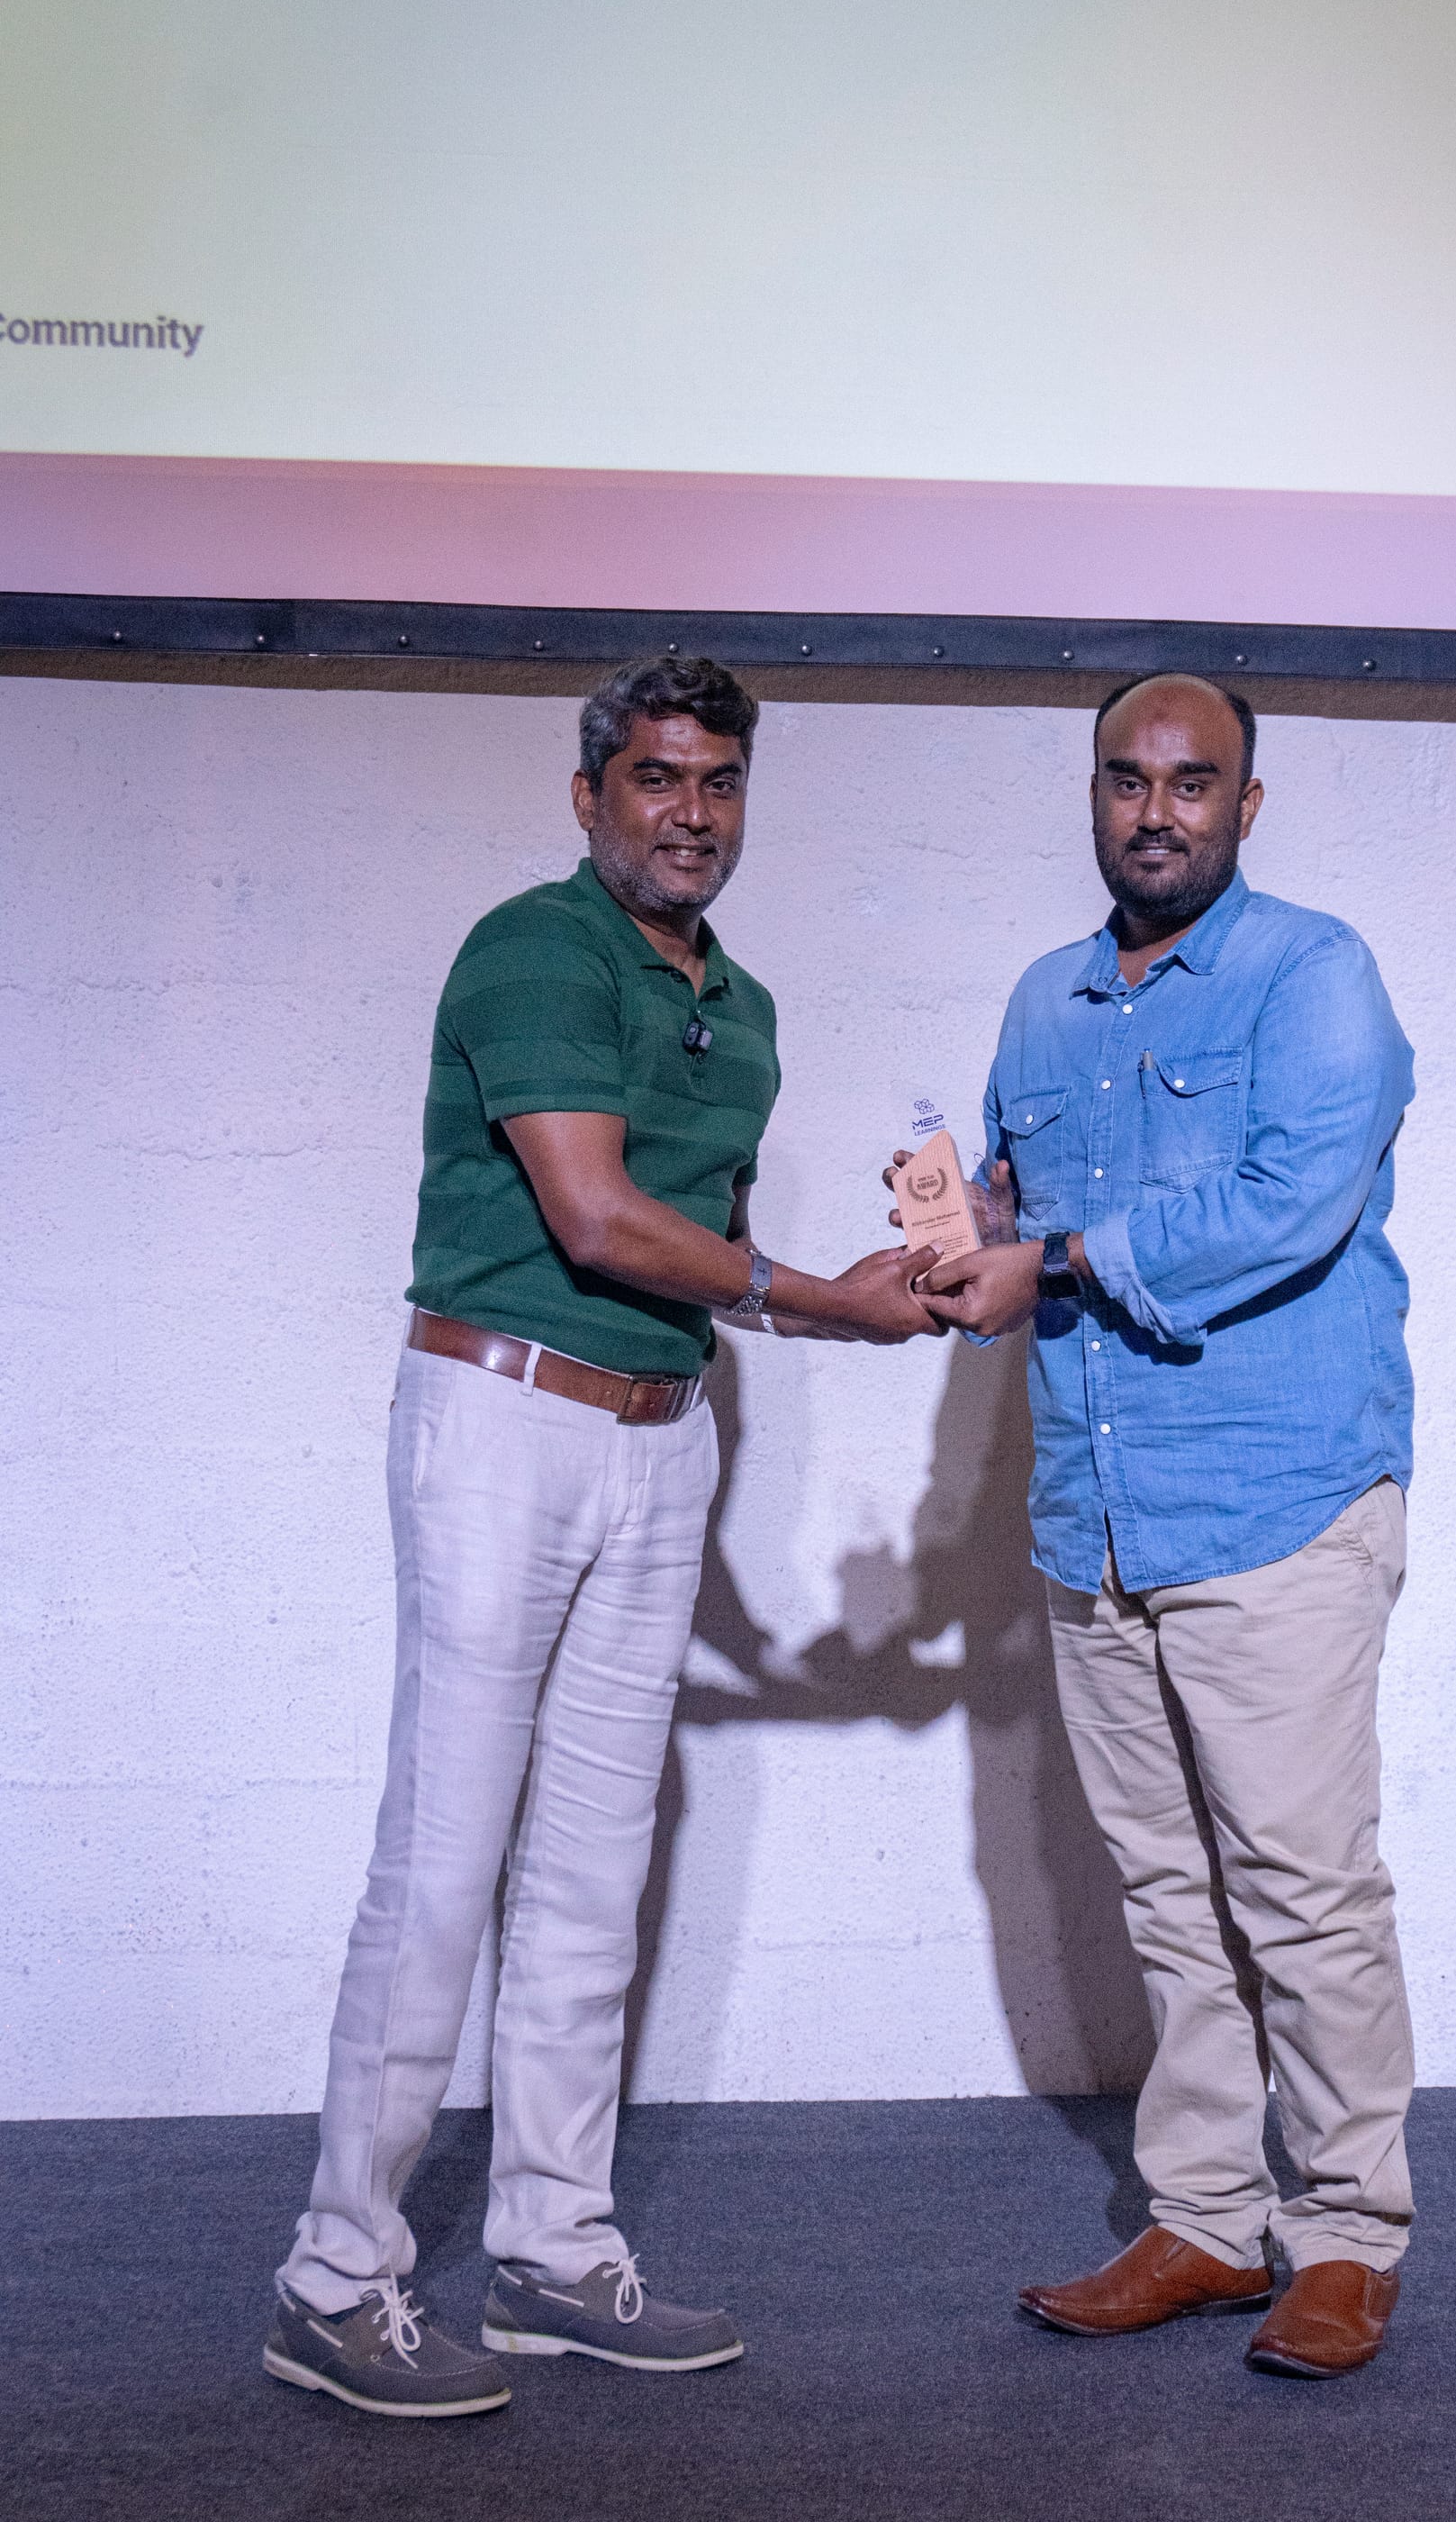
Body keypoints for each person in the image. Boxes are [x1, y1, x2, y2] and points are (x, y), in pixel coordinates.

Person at [267, 655, 940, 2418]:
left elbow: (701, 1236)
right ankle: (334, 2278)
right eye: (656, 778)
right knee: (444, 1863)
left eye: (719, 782)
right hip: (505, 1417)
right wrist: (830, 1303)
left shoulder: (748, 1003)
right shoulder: (535, 950)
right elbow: (595, 1216)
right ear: (589, 796)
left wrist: (908, 1264)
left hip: (660, 1436)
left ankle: (554, 2252)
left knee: (588, 1870)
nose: (690, 813)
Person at [909, 675, 1416, 2381]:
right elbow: (1022, 1214)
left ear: (1245, 807)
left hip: (1275, 1502)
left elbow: (1288, 1207)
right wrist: (963, 1233)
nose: (1156, 811)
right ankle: (1207, 2216)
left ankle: (1346, 2235)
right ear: (1094, 795)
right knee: (1165, 1891)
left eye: (1193, 784)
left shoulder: (1314, 975)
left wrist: (1046, 1259)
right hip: (1096, 1512)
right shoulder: (1042, 1004)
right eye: (1127, 780)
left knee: (1301, 1888)